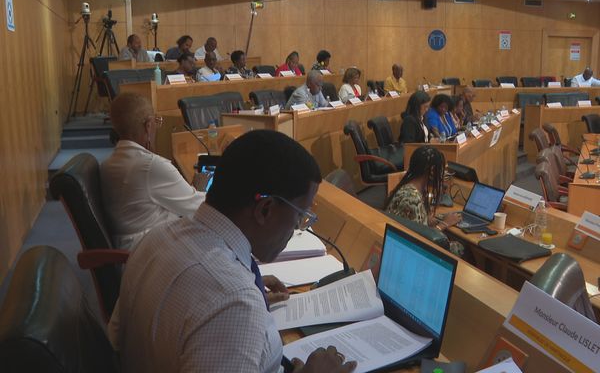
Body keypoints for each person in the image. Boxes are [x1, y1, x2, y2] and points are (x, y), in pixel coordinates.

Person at [116, 129, 357, 373]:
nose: (297, 228)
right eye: (299, 216)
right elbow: (222, 305)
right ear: (265, 210)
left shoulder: (155, 238)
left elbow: (118, 338)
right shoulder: (234, 302)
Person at [100, 93, 205, 250]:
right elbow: (198, 206)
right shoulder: (151, 166)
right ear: (148, 126)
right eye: (157, 121)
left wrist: (191, 192)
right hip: (151, 250)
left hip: (139, 244)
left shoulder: (110, 161)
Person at [385, 146, 464, 257]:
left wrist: (427, 220)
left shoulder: (407, 187)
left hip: (399, 246)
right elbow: (421, 242)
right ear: (432, 171)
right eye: (441, 171)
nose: (442, 175)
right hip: (409, 253)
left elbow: (414, 225)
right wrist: (444, 224)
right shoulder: (412, 199)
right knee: (462, 247)